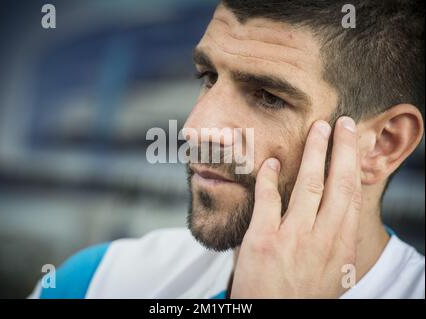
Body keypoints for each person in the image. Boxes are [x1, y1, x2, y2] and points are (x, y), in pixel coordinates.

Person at [30, 0, 425, 299]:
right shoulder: (100, 282)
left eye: (269, 97)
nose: (197, 128)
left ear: (383, 145)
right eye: (208, 76)